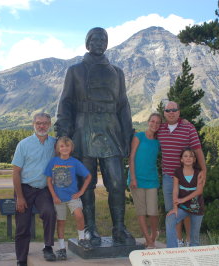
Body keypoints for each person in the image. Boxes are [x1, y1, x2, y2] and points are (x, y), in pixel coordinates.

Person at [55, 27, 134, 246]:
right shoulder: (75, 70)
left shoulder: (117, 72)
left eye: (103, 39)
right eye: (95, 39)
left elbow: (123, 106)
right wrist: (64, 134)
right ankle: (90, 229)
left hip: (111, 131)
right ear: (87, 43)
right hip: (83, 131)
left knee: (117, 183)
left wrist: (128, 135)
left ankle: (119, 228)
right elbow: (66, 103)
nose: (99, 42)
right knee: (86, 184)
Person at [157, 101, 206, 247]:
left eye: (174, 110)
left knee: (189, 209)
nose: (171, 112)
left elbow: (197, 150)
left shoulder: (188, 127)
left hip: (186, 178)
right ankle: (178, 241)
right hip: (168, 177)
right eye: (168, 110)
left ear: (179, 112)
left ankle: (190, 242)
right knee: (173, 210)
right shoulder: (160, 129)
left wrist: (204, 171)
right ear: (164, 113)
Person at [12, 113, 57, 266]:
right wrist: (19, 197)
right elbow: (16, 171)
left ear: (50, 124)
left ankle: (48, 247)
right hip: (24, 189)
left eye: (45, 123)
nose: (41, 126)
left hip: (43, 189)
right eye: (38, 123)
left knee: (50, 212)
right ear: (33, 124)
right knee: (23, 226)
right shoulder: (23, 144)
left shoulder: (55, 143)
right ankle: (21, 259)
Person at [45, 136, 93, 260]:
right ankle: (61, 248)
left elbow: (88, 176)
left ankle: (81, 239)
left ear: (71, 148)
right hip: (59, 199)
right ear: (57, 148)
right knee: (61, 222)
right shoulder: (53, 162)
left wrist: (81, 192)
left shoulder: (74, 162)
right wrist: (54, 196)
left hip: (73, 197)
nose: (64, 148)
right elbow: (49, 181)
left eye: (67, 146)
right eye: (62, 146)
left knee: (79, 215)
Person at [128, 113, 161, 249]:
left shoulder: (158, 141)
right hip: (137, 179)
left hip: (152, 179)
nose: (154, 124)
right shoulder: (139, 137)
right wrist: (133, 178)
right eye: (152, 121)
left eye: (158, 123)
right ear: (148, 122)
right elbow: (132, 157)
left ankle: (153, 236)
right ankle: (148, 240)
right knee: (141, 211)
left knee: (153, 212)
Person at [165, 147, 205, 247]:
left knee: (194, 239)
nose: (188, 158)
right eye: (185, 156)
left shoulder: (199, 172)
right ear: (181, 159)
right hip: (182, 207)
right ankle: (172, 249)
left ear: (194, 159)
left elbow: (199, 190)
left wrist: (183, 199)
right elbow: (175, 190)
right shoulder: (177, 172)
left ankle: (193, 257)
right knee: (170, 219)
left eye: (191, 156)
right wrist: (175, 208)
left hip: (197, 208)